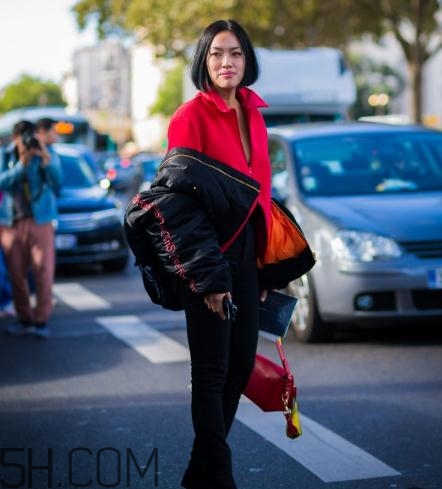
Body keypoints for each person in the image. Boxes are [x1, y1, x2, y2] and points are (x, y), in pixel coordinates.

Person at [0, 120, 62, 338]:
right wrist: (21, 166)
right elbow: (2, 182)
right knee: (16, 273)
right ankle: (24, 317)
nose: (28, 142)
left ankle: (41, 320)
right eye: (24, 138)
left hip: (40, 220)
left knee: (43, 270)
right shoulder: (5, 155)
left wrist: (46, 159)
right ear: (16, 138)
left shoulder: (45, 153)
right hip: (10, 222)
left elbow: (57, 184)